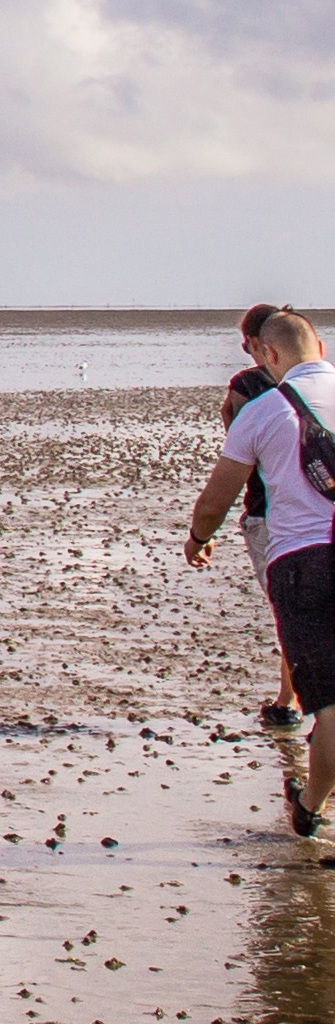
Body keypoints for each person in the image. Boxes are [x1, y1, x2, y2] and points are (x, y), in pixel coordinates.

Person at [185, 309, 335, 838]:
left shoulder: (264, 408)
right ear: (319, 343)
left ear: (267, 354)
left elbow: (215, 502)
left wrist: (198, 540)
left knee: (330, 706)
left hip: (304, 564)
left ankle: (310, 808)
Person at [221, 303, 299, 726]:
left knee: (288, 609)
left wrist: (200, 533)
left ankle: (289, 701)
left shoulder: (247, 386)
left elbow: (239, 453)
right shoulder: (322, 383)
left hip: (269, 514)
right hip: (321, 508)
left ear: (258, 344)